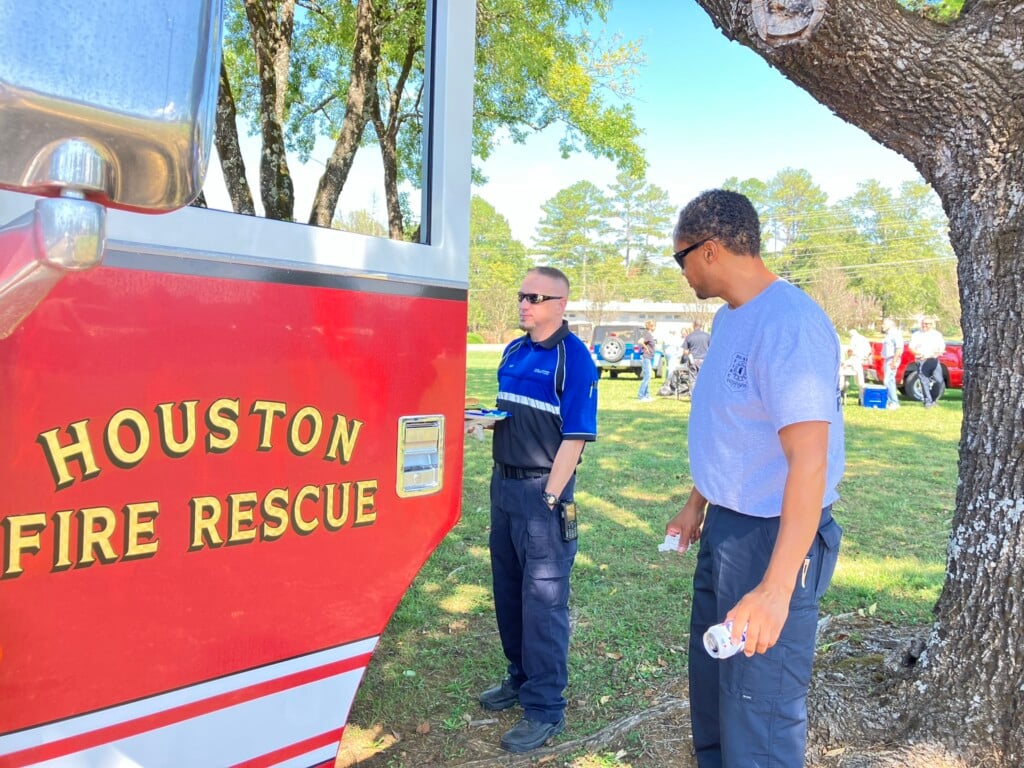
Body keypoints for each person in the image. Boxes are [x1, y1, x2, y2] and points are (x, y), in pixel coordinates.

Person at [663, 190, 845, 768]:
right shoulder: (728, 318)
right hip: (725, 527)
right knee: (716, 697)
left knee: (758, 712)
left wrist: (774, 587)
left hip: (775, 535)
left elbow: (809, 461)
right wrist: (698, 503)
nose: (682, 270)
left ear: (710, 251)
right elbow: (733, 426)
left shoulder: (789, 323)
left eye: (681, 257)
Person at [478, 266, 599, 753]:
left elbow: (574, 437)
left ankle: (545, 708)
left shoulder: (575, 359)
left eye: (535, 296)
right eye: (521, 294)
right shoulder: (513, 350)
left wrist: (551, 495)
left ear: (560, 304)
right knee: (508, 591)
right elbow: (515, 412)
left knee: (544, 603)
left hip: (541, 495)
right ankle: (519, 677)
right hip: (503, 489)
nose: (524, 303)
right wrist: (484, 421)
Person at [908, 317, 945, 408]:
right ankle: (928, 402)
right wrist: (918, 354)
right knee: (924, 382)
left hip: (933, 360)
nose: (924, 325)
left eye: (927, 324)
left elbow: (941, 348)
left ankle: (934, 399)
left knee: (939, 381)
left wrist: (939, 352)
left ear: (932, 325)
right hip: (922, 360)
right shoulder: (917, 335)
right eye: (923, 323)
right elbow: (911, 348)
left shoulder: (937, 335)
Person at [881, 318, 904, 409]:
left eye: (884, 324)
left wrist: (894, 361)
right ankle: (890, 401)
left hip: (892, 359)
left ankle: (894, 402)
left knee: (888, 380)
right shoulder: (888, 334)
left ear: (890, 325)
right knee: (890, 381)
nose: (882, 326)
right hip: (887, 360)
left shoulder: (896, 334)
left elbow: (899, 349)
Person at [637, 319, 657, 402]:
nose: (655, 327)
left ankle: (647, 395)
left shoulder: (650, 335)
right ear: (651, 326)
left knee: (648, 376)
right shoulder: (647, 334)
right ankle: (641, 395)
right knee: (647, 377)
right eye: (654, 326)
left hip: (649, 357)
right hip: (646, 357)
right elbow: (640, 341)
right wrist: (645, 348)